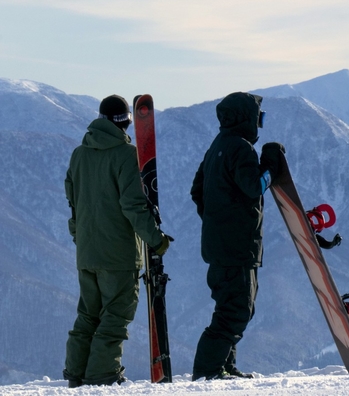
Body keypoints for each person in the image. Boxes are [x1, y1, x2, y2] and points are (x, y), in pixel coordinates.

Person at [63, 95, 172, 388]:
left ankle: (76, 373)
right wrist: (156, 240)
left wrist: (79, 236)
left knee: (88, 314)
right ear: (126, 122)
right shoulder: (126, 155)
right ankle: (101, 376)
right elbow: (133, 206)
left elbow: (73, 202)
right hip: (118, 254)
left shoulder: (79, 154)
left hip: (87, 252)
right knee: (115, 315)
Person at [190, 92, 285, 381]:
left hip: (220, 247)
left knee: (232, 308)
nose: (260, 124)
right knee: (236, 312)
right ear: (246, 119)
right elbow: (254, 186)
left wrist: (218, 219)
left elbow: (197, 190)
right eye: (260, 119)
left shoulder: (217, 146)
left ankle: (223, 365)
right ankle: (208, 372)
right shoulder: (241, 149)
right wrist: (271, 165)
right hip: (238, 248)